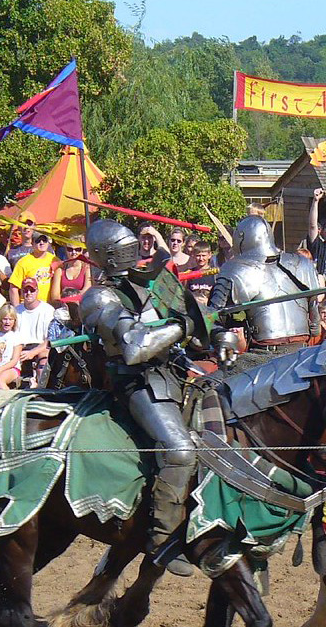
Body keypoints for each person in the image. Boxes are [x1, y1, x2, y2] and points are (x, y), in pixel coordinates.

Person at [82, 219, 216, 576]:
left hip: (173, 373)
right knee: (180, 450)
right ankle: (164, 538)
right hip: (136, 383)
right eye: (124, 248)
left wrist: (205, 324)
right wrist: (181, 326)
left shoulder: (146, 286)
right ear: (108, 256)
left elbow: (195, 338)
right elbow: (134, 347)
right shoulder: (100, 296)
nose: (134, 252)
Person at [210, 215, 320, 372]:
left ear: (241, 239)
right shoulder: (302, 264)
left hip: (264, 356)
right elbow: (315, 326)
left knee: (208, 385)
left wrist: (222, 339)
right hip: (303, 353)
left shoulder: (235, 269)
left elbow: (212, 317)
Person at [14, 277, 55, 387]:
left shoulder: (48, 310)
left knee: (44, 360)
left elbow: (49, 341)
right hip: (20, 347)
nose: (28, 293)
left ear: (37, 291)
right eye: (25, 290)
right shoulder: (15, 311)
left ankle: (42, 392)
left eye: (32, 290)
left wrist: (32, 353)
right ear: (21, 292)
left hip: (41, 347)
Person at [9, 233, 59, 305]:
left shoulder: (55, 260)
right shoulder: (23, 262)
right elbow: (13, 288)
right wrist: (17, 310)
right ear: (32, 244)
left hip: (49, 306)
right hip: (28, 306)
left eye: (44, 240)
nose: (41, 243)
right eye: (38, 241)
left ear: (48, 243)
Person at [50, 237, 92, 306]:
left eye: (77, 249)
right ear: (65, 250)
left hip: (81, 306)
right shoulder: (60, 270)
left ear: (82, 250)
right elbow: (55, 296)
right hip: (63, 307)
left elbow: (86, 290)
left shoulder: (87, 269)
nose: (74, 252)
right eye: (70, 249)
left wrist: (71, 301)